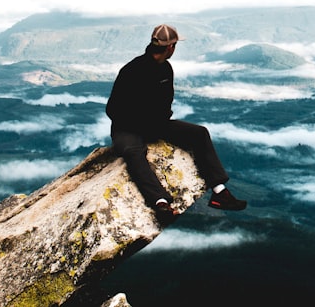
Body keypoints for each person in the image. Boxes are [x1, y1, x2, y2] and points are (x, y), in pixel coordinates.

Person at [106, 23, 247, 225]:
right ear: (171, 47)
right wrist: (141, 123)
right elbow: (113, 110)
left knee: (199, 133)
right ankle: (160, 202)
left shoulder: (165, 69)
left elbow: (165, 103)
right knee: (133, 151)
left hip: (155, 124)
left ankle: (219, 192)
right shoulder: (132, 70)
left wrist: (156, 121)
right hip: (126, 127)